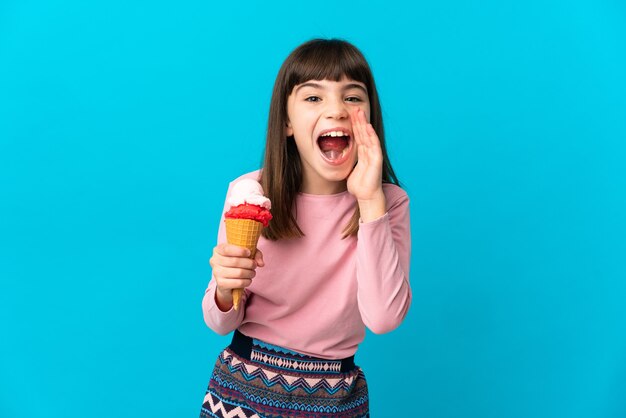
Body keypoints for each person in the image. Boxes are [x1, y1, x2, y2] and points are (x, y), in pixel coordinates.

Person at [200, 38, 411, 418]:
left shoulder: (388, 203)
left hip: (336, 396)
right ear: (286, 122)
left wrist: (369, 202)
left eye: (352, 97)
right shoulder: (249, 193)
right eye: (314, 98)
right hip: (243, 390)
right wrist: (225, 287)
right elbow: (220, 322)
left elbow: (383, 317)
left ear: (370, 116)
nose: (337, 111)